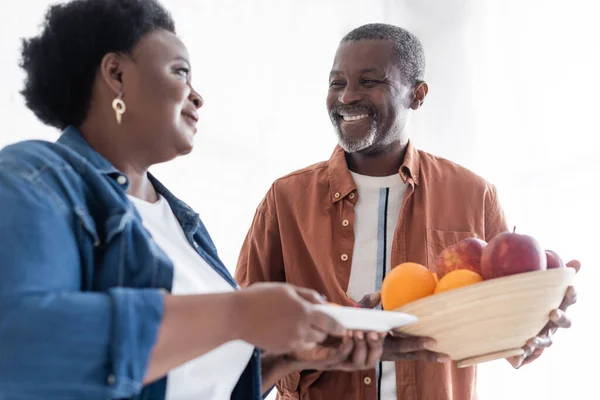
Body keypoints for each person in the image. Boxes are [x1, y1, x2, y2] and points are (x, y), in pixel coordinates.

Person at [0, 2, 389, 399]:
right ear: (116, 74)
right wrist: (238, 315)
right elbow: (17, 347)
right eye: (180, 72)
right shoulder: (34, 178)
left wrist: (288, 360)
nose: (197, 96)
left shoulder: (183, 223)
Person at [235, 23, 580, 400]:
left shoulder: (474, 194)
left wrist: (536, 323)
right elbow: (238, 344)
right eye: (337, 83)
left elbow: (511, 337)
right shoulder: (285, 199)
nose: (348, 96)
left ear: (417, 95)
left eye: (369, 82)